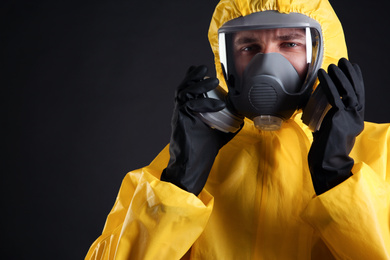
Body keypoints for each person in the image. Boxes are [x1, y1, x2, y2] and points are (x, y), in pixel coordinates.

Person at [85, 0, 390, 259]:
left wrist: (338, 178)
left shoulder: (382, 151)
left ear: (322, 52)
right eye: (249, 46)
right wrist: (179, 185)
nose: (267, 64)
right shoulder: (180, 166)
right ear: (226, 60)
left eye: (290, 43)